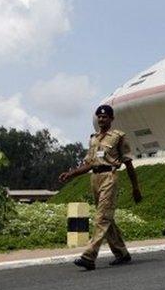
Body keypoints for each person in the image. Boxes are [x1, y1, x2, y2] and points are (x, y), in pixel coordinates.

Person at [59, 104, 142, 270]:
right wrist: (71, 173)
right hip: (95, 178)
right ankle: (122, 253)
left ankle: (89, 256)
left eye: (105, 116)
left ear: (111, 119)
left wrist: (135, 188)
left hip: (109, 177)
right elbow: (88, 164)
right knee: (107, 218)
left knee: (101, 217)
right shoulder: (93, 138)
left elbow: (129, 163)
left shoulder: (118, 137)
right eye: (99, 116)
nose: (101, 119)